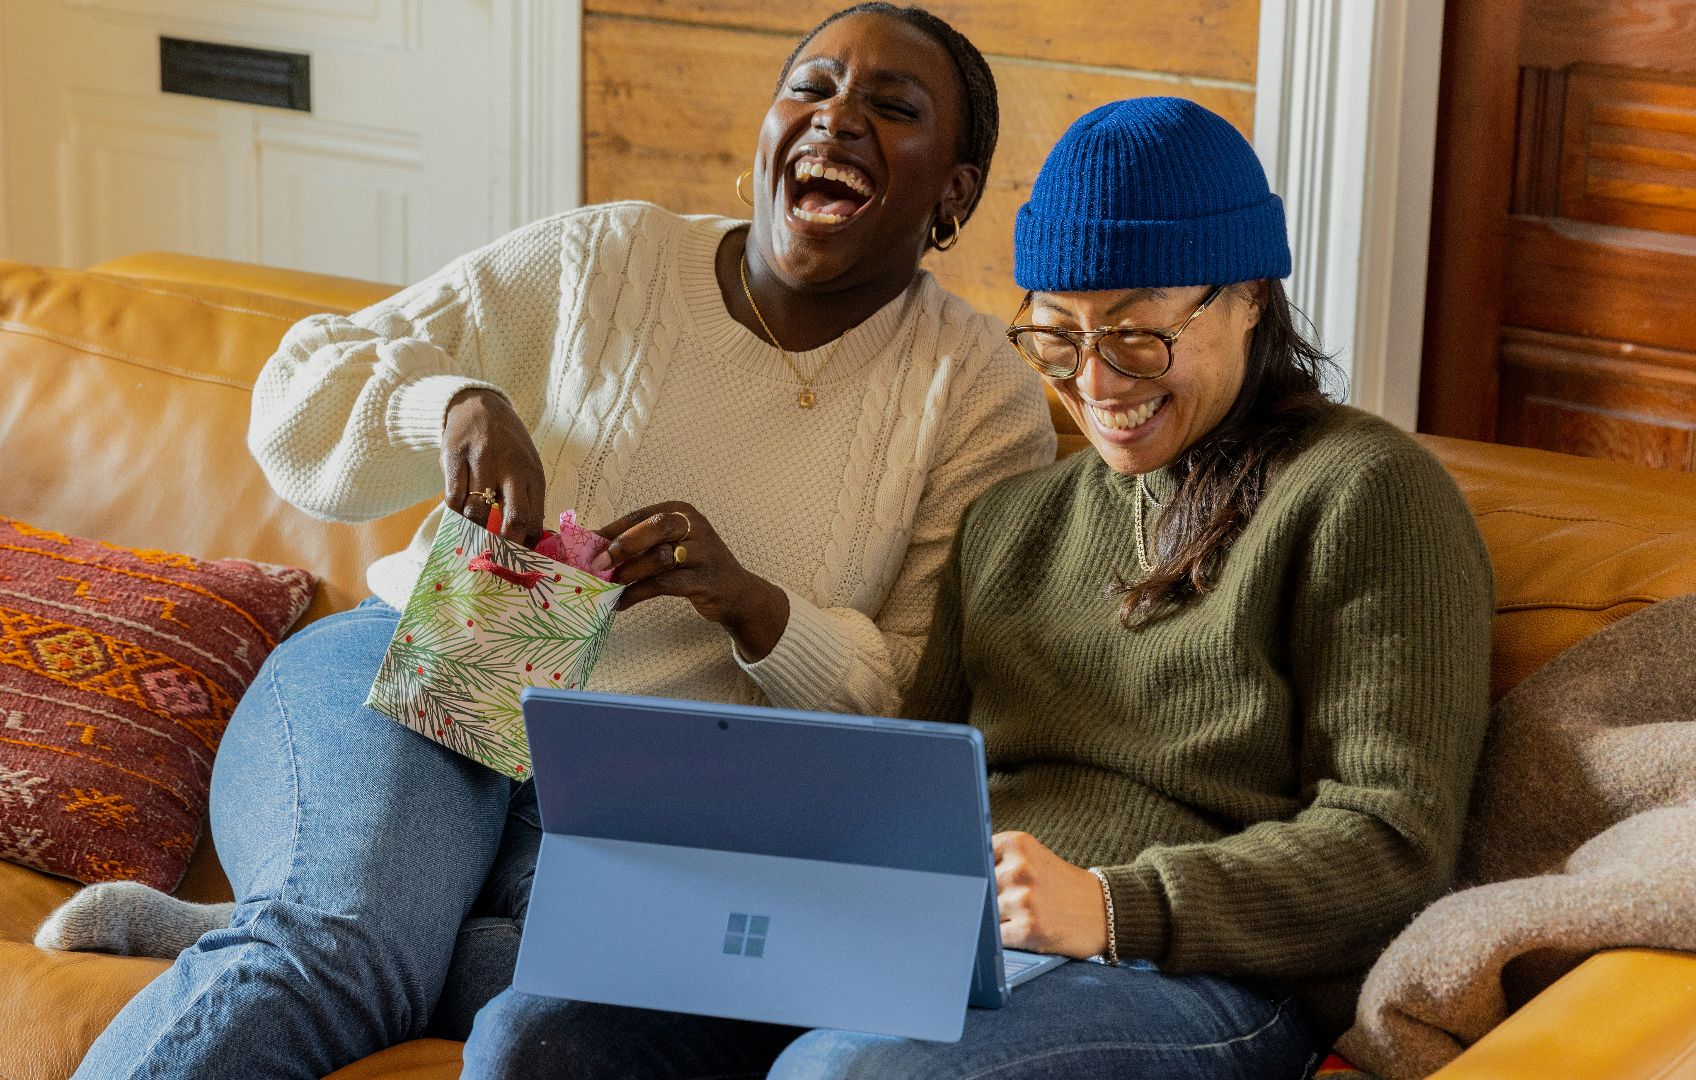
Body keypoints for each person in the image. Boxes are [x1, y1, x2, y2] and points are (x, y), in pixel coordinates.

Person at [48, 5, 1059, 1078]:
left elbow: (920, 703)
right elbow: (299, 391)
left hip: (653, 792)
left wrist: (756, 606)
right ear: (767, 132)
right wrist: (450, 407)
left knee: (625, 991)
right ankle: (327, 926)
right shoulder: (606, 259)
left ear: (952, 192)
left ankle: (306, 922)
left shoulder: (979, 397)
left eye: (892, 108)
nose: (838, 118)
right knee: (336, 952)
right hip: (427, 666)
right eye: (810, 89)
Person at [464, 96, 1495, 1079]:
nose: (1095, 383)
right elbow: (904, 787)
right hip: (946, 939)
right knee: (535, 1034)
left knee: (853, 1072)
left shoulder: (1366, 493)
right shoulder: (1012, 524)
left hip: (1196, 972)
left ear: (1249, 298)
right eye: (1058, 335)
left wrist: (1111, 905)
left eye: (1139, 335)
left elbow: (1392, 841)